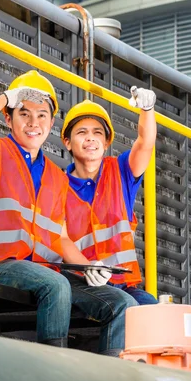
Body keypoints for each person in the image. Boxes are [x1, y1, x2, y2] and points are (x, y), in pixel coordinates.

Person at [0, 70, 78, 347]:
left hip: (44, 271)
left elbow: (61, 236)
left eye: (42, 115)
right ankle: (55, 368)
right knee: (58, 286)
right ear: (8, 118)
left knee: (112, 300)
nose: (34, 122)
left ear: (52, 121)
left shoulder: (57, 177)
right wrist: (5, 98)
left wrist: (91, 268)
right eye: (24, 113)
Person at [58, 86, 158, 355]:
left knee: (157, 315)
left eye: (97, 133)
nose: (90, 139)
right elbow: (61, 237)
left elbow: (145, 143)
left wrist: (147, 110)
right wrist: (86, 267)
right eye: (82, 132)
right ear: (67, 142)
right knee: (126, 308)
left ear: (106, 142)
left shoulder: (121, 172)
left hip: (121, 282)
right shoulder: (55, 185)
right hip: (77, 279)